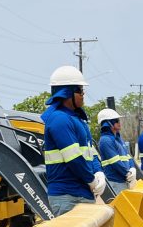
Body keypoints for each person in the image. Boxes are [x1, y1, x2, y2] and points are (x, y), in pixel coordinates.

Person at [41, 65, 107, 215]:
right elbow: (74, 158)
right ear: (66, 93)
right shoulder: (59, 119)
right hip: (67, 197)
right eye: (79, 90)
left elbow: (91, 151)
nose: (83, 94)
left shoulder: (77, 120)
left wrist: (99, 172)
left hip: (82, 193)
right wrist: (91, 180)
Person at [97, 108, 136, 194]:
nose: (119, 123)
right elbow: (115, 162)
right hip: (115, 182)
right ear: (108, 123)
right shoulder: (105, 140)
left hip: (123, 180)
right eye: (116, 120)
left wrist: (132, 168)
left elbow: (128, 156)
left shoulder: (118, 138)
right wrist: (127, 173)